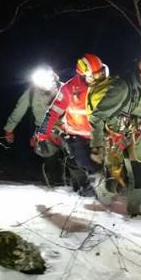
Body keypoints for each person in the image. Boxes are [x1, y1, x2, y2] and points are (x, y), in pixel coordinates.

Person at [87, 54, 141, 216]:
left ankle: (135, 211)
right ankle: (104, 195)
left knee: (139, 175)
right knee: (114, 179)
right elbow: (97, 116)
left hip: (136, 134)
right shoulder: (121, 88)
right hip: (114, 136)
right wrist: (97, 145)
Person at [37, 53, 108, 193]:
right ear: (83, 75)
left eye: (99, 74)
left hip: (101, 134)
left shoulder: (107, 87)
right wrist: (42, 134)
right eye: (94, 75)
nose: (98, 78)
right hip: (76, 134)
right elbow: (53, 112)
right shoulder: (69, 89)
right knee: (82, 161)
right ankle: (94, 188)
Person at [3, 66, 62, 182]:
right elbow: (19, 109)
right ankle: (52, 182)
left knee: (74, 158)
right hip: (44, 131)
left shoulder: (64, 88)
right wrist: (9, 130)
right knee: (49, 157)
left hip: (66, 129)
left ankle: (80, 186)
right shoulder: (31, 92)